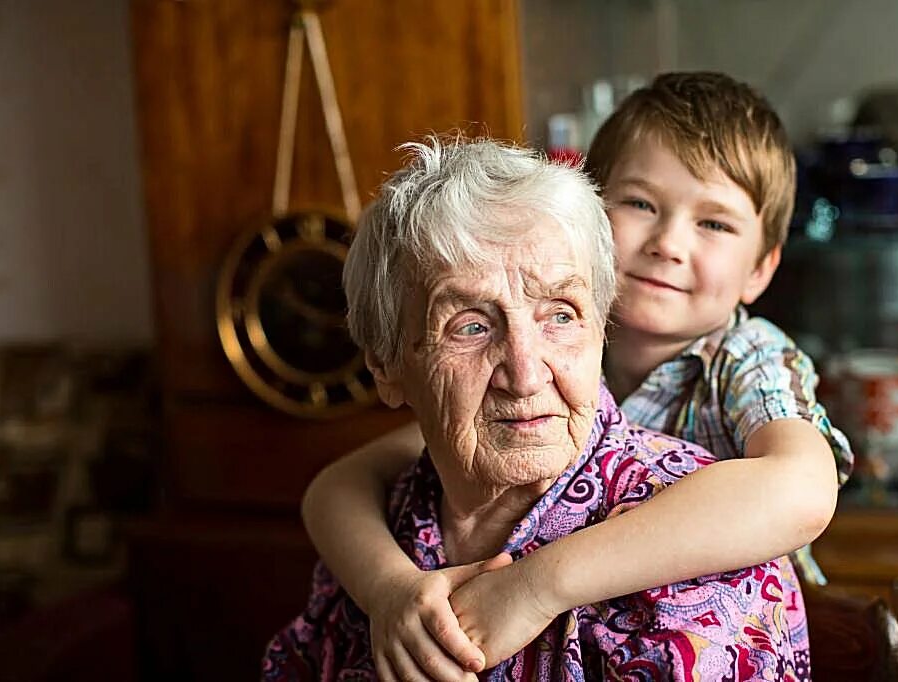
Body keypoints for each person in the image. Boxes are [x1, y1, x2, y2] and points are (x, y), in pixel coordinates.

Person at [301, 73, 854, 679]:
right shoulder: (536, 381)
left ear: (761, 269)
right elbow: (342, 485)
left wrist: (540, 584)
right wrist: (387, 588)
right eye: (641, 204)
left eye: (714, 224)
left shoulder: (746, 359)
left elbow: (801, 492)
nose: (668, 243)